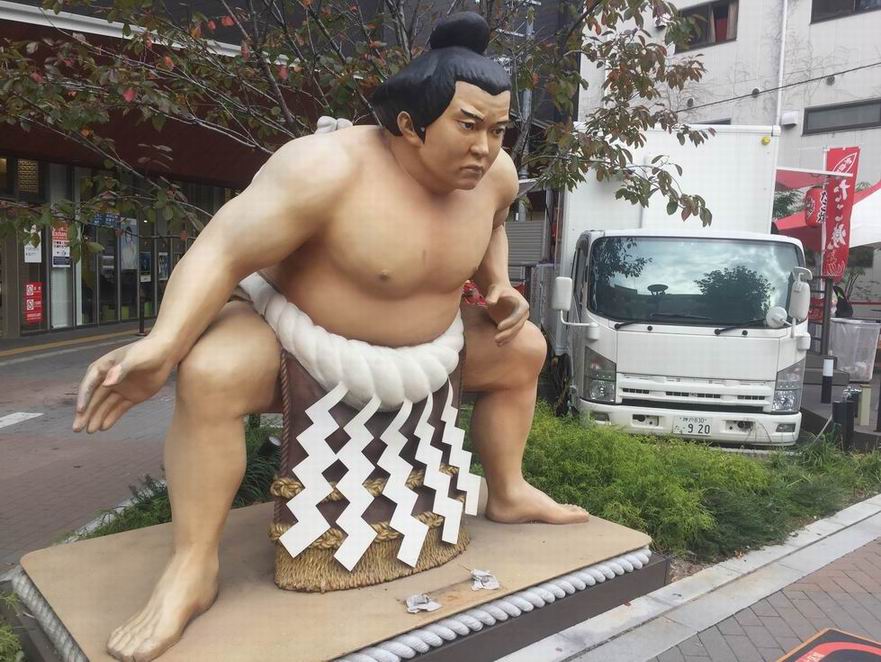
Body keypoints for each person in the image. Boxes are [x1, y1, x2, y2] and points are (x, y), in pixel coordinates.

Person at [73, 12, 588, 661]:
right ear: (409, 124)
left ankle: (507, 491)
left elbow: (491, 225)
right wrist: (162, 344)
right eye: (468, 126)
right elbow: (222, 249)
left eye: (498, 129)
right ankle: (193, 564)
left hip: (429, 355)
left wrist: (497, 286)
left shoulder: (495, 176)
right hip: (297, 340)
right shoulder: (325, 168)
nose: (486, 148)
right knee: (213, 371)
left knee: (524, 349)